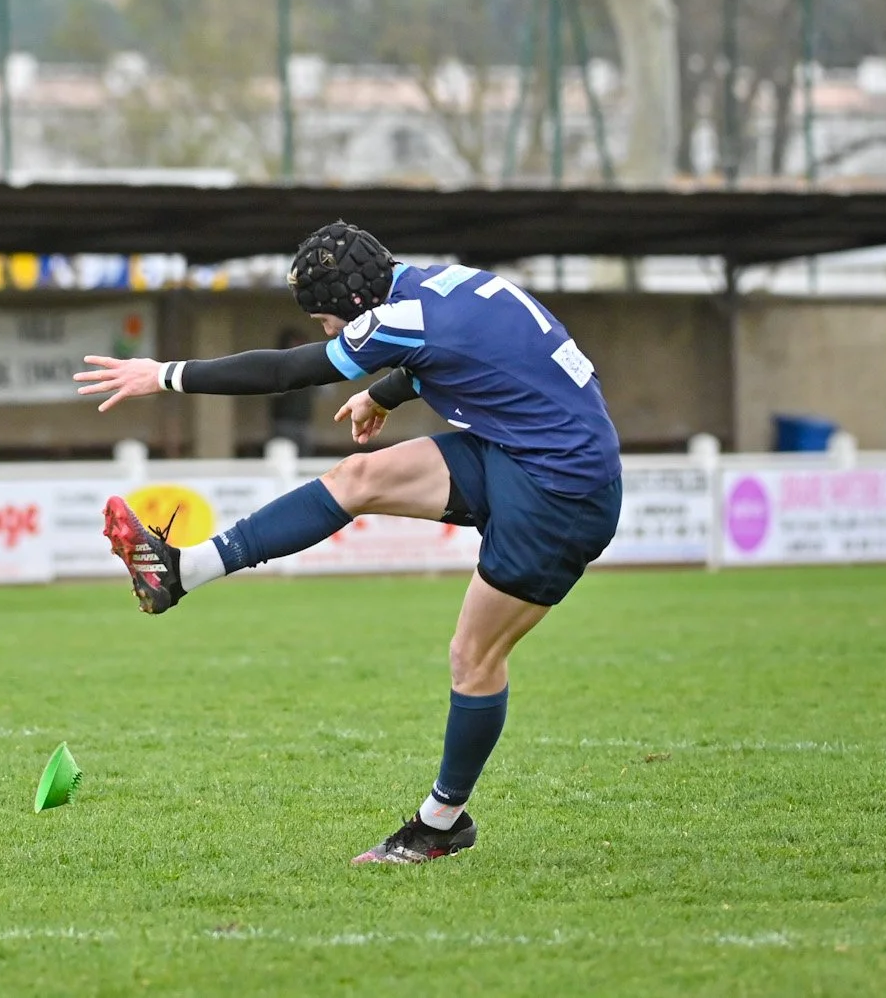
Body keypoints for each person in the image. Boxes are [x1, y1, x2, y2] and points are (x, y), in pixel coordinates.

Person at [75, 221, 622, 865]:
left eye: (325, 320)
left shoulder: (395, 321)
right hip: (524, 449)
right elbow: (464, 351)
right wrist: (381, 393)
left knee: (472, 658)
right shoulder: (433, 285)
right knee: (357, 477)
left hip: (562, 491)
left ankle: (442, 822)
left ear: (353, 305)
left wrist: (164, 374)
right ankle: (182, 569)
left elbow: (285, 371)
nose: (325, 333)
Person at [266, 325, 316, 453]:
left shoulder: (308, 366)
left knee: (304, 458)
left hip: (304, 421)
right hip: (284, 423)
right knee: (283, 456)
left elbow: (327, 391)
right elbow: (273, 393)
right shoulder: (277, 365)